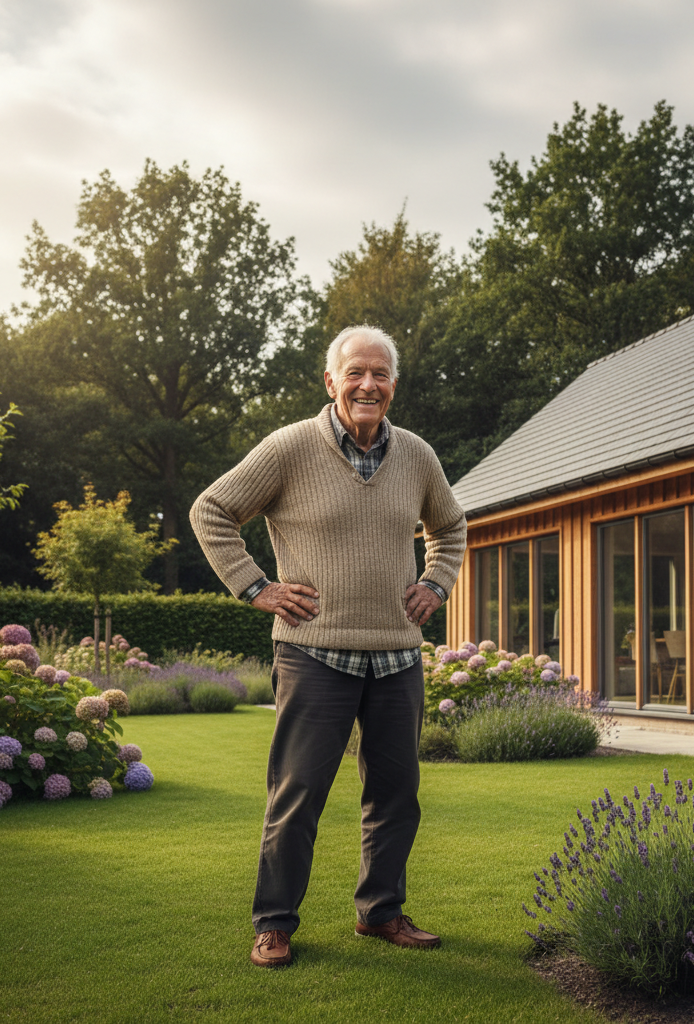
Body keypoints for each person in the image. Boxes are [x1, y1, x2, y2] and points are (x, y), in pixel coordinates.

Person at [189, 324, 467, 968]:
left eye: (380, 375)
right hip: (314, 652)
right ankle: (275, 923)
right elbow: (212, 510)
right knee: (298, 794)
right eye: (355, 373)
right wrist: (255, 586)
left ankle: (382, 912)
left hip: (397, 654)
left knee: (396, 795)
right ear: (331, 381)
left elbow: (450, 527)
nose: (367, 385)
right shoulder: (289, 448)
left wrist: (435, 582)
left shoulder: (418, 456)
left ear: (393, 384)